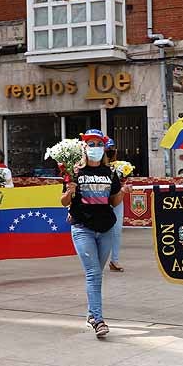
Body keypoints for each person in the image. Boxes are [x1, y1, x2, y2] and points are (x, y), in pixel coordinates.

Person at [60, 129, 125, 339]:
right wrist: (69, 191)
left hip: (105, 228)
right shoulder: (76, 172)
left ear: (104, 148)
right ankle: (98, 320)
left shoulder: (110, 173)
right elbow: (63, 201)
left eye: (98, 144)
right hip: (82, 228)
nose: (95, 148)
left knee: (97, 275)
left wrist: (123, 192)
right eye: (91, 144)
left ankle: (91, 314)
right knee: (93, 273)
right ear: (84, 147)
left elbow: (113, 201)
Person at [105, 138, 125, 273]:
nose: (111, 153)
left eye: (112, 150)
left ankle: (115, 260)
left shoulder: (118, 166)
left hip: (116, 198)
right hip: (101, 200)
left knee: (117, 230)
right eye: (108, 150)